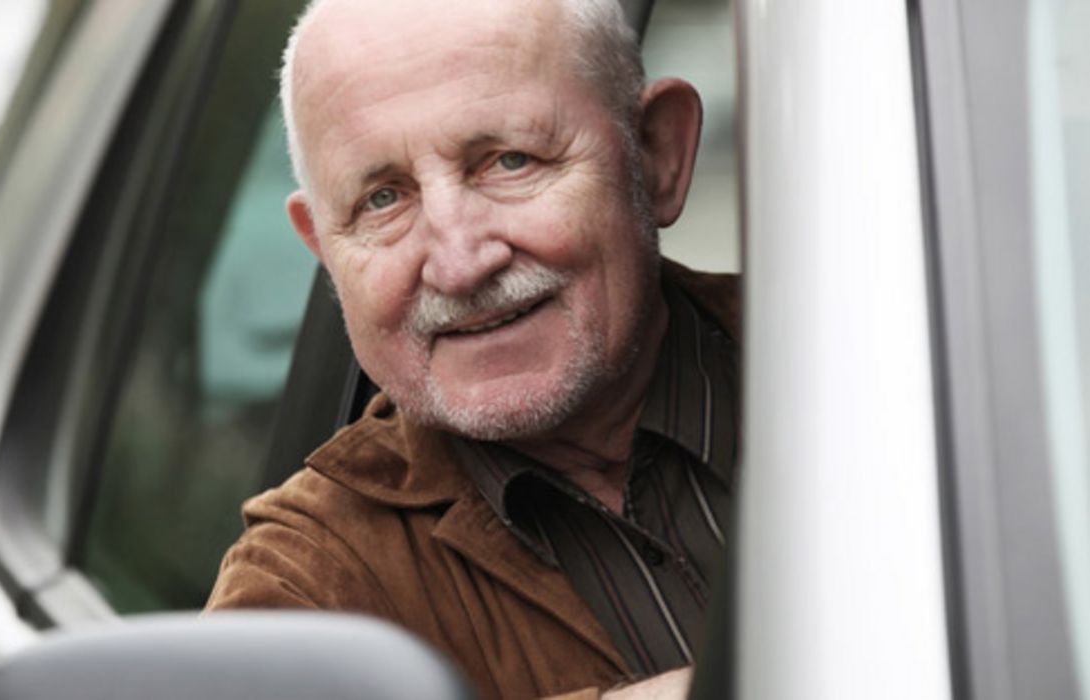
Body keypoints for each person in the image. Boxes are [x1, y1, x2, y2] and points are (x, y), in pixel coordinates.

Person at [206, 0, 738, 698]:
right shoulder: (311, 581)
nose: (458, 262)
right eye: (382, 201)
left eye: (508, 161)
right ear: (323, 253)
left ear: (656, 154)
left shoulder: (887, 363)